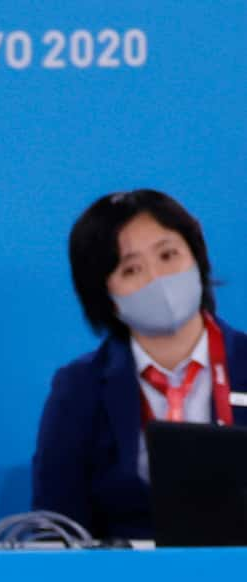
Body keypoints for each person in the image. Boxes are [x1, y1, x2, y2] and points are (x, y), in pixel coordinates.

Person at [33, 189, 241, 542]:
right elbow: (56, 528)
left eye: (168, 255)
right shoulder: (81, 388)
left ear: (197, 258)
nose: (157, 279)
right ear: (106, 296)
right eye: (131, 269)